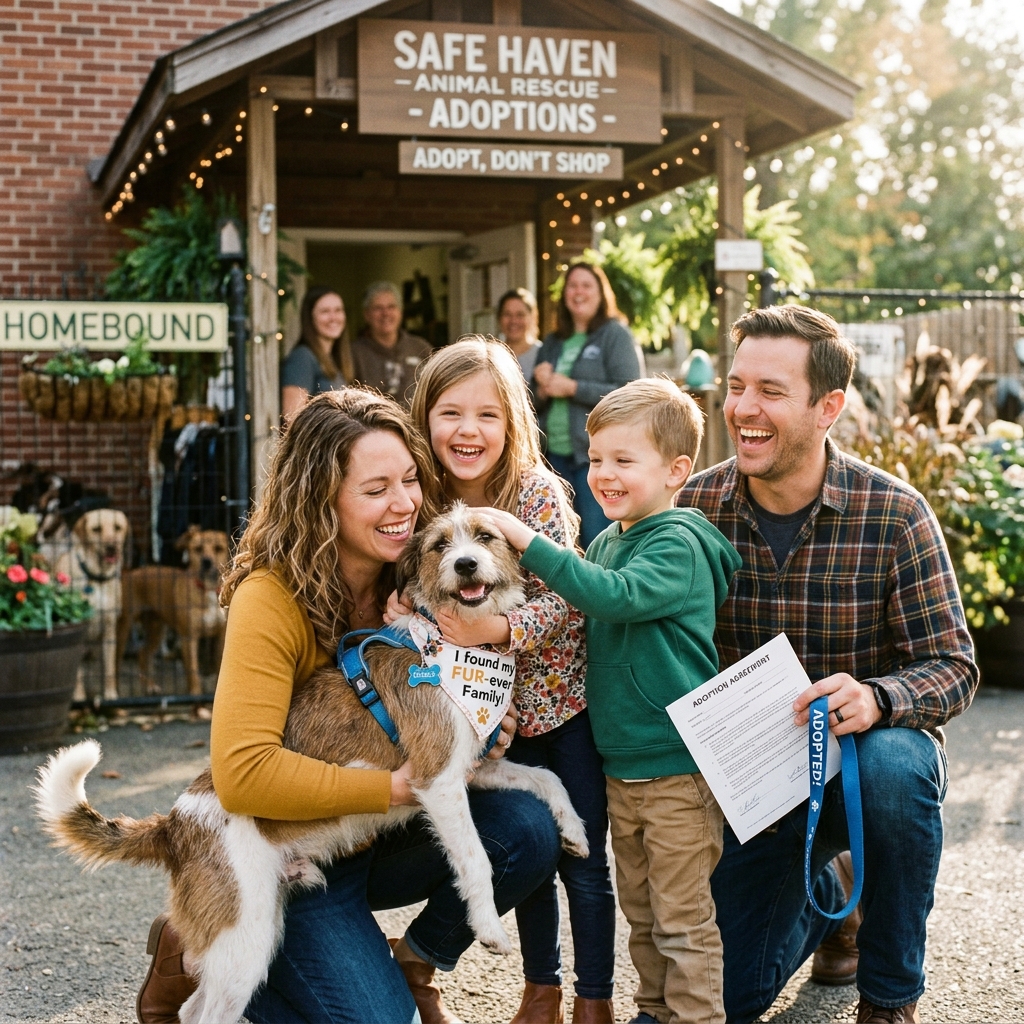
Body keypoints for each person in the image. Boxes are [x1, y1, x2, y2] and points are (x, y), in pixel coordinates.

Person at [135, 389, 563, 1024]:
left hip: (365, 840)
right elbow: (243, 772)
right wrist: (395, 786)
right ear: (323, 501)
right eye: (376, 489)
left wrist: (477, 733)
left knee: (527, 829)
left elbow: (453, 698)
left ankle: (413, 963)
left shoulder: (417, 573)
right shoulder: (270, 597)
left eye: (411, 480)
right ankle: (200, 951)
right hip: (288, 842)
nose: (403, 504)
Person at [678, 305, 979, 1024]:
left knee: (895, 768)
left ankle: (889, 993)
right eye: (737, 384)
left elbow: (954, 664)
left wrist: (877, 697)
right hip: (751, 789)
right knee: (729, 1000)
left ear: (828, 407)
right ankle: (836, 884)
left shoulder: (894, 513)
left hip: (860, 769)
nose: (743, 409)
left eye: (771, 392)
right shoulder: (692, 510)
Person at [483, 378, 742, 1024]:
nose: (603, 473)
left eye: (624, 460)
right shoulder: (607, 541)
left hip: (676, 769)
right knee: (644, 914)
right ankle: (654, 1011)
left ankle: (696, 1017)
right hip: (623, 769)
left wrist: (527, 539)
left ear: (677, 470)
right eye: (596, 459)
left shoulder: (677, 542)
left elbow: (613, 597)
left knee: (682, 919)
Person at [398, 336, 616, 1024]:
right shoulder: (422, 499)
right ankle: (541, 990)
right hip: (484, 714)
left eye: (488, 415)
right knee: (531, 852)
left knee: (583, 852)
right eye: (451, 413)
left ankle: (595, 999)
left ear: (513, 421)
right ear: (425, 418)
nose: (468, 431)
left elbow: (572, 596)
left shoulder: (537, 492)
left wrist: (500, 632)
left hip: (561, 704)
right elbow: (409, 595)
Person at [532, 261, 642, 548]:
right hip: (552, 458)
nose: (578, 292)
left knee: (596, 537)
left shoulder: (614, 334)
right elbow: (529, 403)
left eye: (586, 285)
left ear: (600, 293)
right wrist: (542, 388)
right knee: (557, 540)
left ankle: (600, 591)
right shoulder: (553, 342)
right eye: (572, 285)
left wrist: (572, 388)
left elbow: (630, 391)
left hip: (594, 457)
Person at [350, 280, 433, 407]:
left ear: (400, 312)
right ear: (366, 315)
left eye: (391, 307)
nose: (385, 313)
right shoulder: (353, 354)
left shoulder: (421, 348)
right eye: (378, 308)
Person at [281, 286, 351, 421]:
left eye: (338, 310)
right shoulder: (302, 357)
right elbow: (291, 420)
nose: (333, 317)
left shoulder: (332, 359)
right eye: (325, 311)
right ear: (310, 318)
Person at [497, 287, 542, 381]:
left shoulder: (543, 354)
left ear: (532, 317)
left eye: (520, 315)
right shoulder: (492, 355)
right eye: (507, 314)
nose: (513, 321)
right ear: (499, 318)